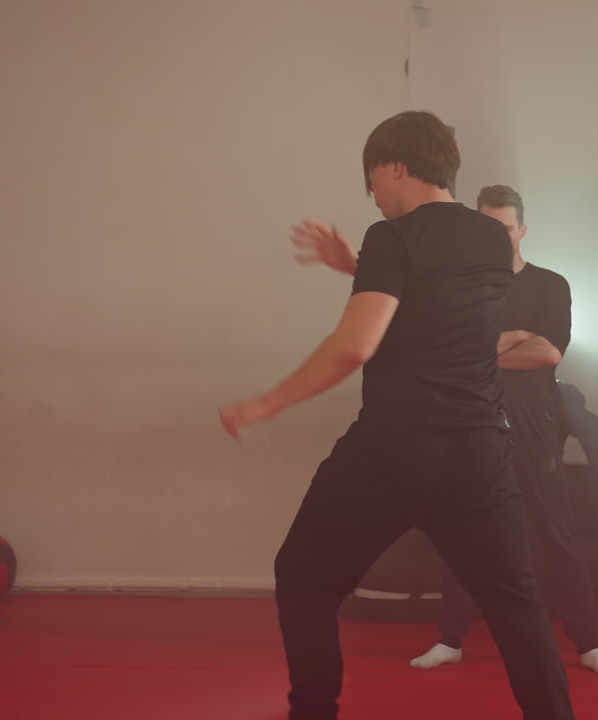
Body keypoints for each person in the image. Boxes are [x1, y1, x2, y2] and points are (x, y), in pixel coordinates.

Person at [223, 111, 577, 720]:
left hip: (394, 449)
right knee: (517, 606)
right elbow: (435, 294)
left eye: (374, 184)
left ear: (393, 166)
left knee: (303, 577)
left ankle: (313, 712)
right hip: (478, 453)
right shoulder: (491, 240)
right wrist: (357, 264)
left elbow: (357, 345)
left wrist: (268, 402)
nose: (376, 199)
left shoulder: (392, 237)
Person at [294, 185, 598, 677]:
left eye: (506, 228)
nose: (497, 236)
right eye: (488, 227)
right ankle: (451, 639)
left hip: (534, 420)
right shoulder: (462, 284)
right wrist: (507, 339)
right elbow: (409, 310)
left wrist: (473, 348)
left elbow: (548, 352)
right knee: (462, 534)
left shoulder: (550, 285)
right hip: (472, 417)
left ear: (522, 231)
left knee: (555, 535)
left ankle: (588, 642)